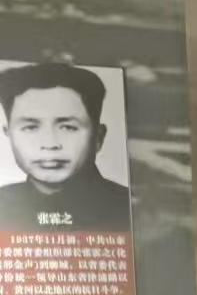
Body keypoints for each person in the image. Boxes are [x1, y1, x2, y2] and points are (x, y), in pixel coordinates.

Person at [0, 61, 132, 232]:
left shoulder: (132, 208)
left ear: (98, 137)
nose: (50, 144)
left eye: (68, 127)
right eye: (30, 128)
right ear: (9, 135)